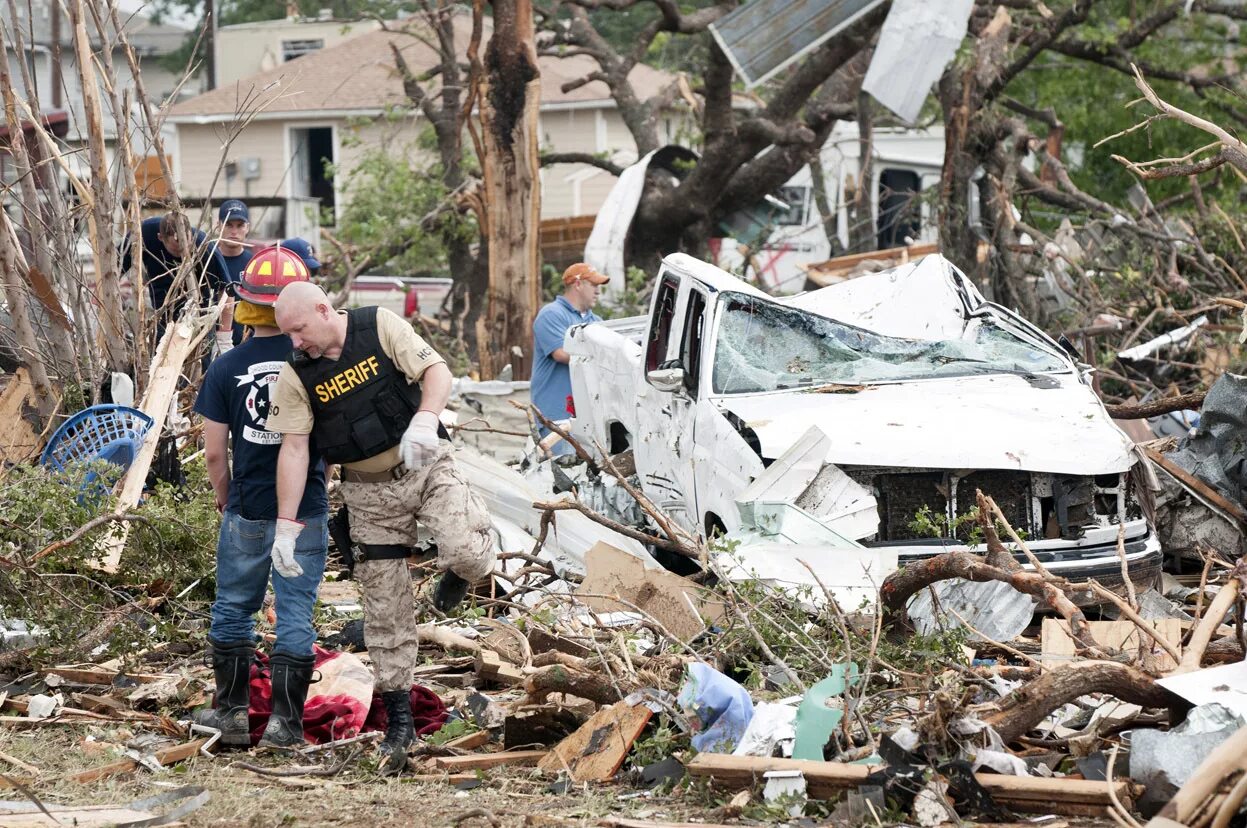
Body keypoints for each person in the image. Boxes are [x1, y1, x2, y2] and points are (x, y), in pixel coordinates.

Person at [266, 282, 495, 770]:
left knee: (466, 550)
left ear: (324, 310)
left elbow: (437, 370)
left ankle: (459, 570)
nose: (295, 342)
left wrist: (425, 418)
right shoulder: (296, 375)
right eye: (287, 334)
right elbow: (294, 449)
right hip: (368, 496)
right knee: (385, 611)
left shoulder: (378, 326)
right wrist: (286, 526)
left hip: (426, 464)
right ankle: (399, 723)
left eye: (300, 329)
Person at [191, 246, 329, 750]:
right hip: (306, 511)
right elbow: (328, 444)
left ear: (246, 303)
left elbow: (212, 454)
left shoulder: (227, 367)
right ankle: (284, 726)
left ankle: (230, 716)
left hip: (248, 506)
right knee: (295, 613)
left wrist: (227, 499)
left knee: (233, 607)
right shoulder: (316, 361)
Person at [530, 263, 608, 445]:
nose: (598, 291)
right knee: (563, 470)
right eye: (594, 285)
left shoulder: (596, 321)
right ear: (578, 284)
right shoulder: (551, 314)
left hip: (589, 417)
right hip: (557, 417)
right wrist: (602, 355)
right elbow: (562, 354)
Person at [120, 211, 230, 326]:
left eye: (184, 248)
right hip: (163, 313)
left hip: (201, 315)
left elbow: (226, 290)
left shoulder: (204, 247)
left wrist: (224, 336)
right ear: (160, 238)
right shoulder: (144, 234)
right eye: (176, 250)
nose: (181, 254)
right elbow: (116, 267)